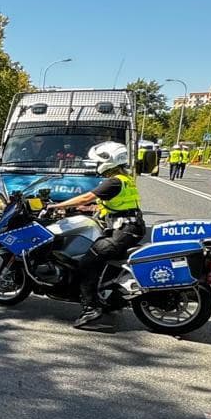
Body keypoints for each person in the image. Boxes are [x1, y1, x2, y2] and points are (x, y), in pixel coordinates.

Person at [46, 141, 145, 332]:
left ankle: (91, 309)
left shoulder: (114, 181)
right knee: (100, 261)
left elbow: (86, 197)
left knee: (86, 264)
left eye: (98, 160)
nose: (96, 164)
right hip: (129, 227)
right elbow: (106, 204)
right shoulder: (124, 179)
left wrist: (56, 206)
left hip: (123, 231)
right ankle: (109, 300)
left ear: (109, 160)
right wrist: (78, 209)